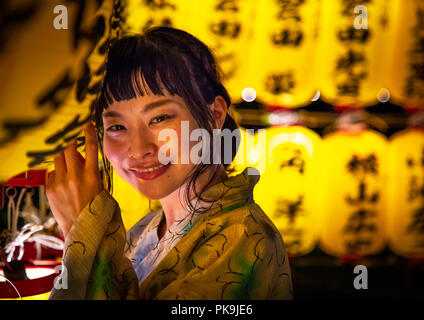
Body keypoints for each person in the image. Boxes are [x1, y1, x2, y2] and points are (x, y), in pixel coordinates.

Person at [47, 27, 293, 300]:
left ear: (214, 116)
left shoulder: (244, 236)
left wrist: (84, 229)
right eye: (117, 126)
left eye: (160, 118)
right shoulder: (146, 230)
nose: (139, 149)